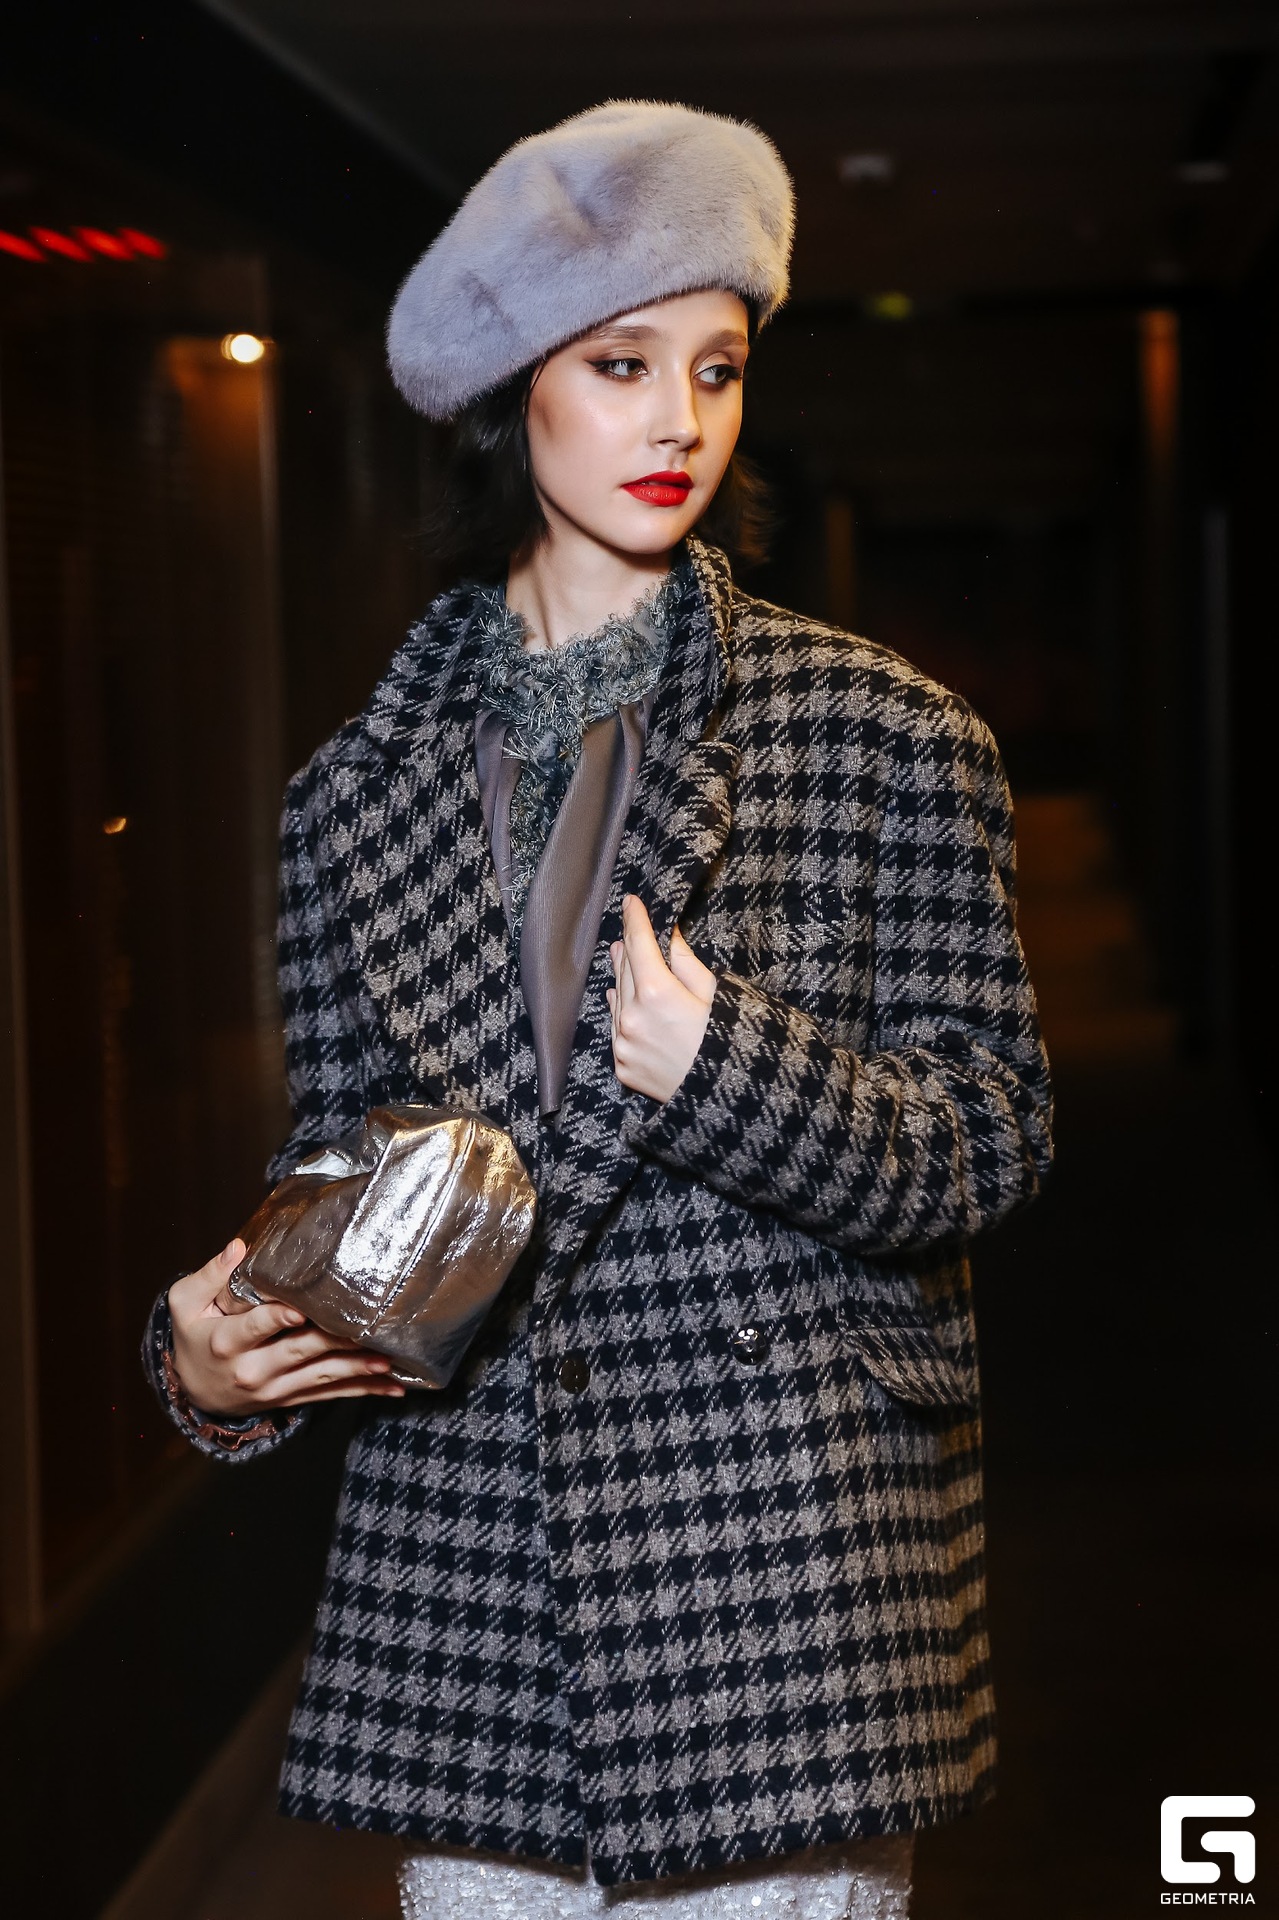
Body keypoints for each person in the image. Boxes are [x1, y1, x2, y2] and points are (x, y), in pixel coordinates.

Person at [143, 100, 1053, 1917]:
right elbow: (352, 1190)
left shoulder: (883, 737)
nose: (677, 421)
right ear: (513, 395)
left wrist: (732, 1072)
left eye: (716, 369)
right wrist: (212, 1365)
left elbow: (995, 1134)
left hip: (781, 1598)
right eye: (622, 364)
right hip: (484, 1603)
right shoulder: (352, 799)